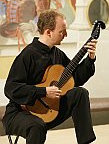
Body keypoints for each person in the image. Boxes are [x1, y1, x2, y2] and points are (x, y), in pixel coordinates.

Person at [2, 9, 97, 144]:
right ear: (48, 32)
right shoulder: (27, 55)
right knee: (37, 126)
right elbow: (11, 89)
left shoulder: (57, 54)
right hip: (19, 113)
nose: (66, 34)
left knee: (80, 93)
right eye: (61, 31)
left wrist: (90, 59)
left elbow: (75, 79)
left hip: (49, 111)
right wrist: (44, 91)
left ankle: (85, 142)